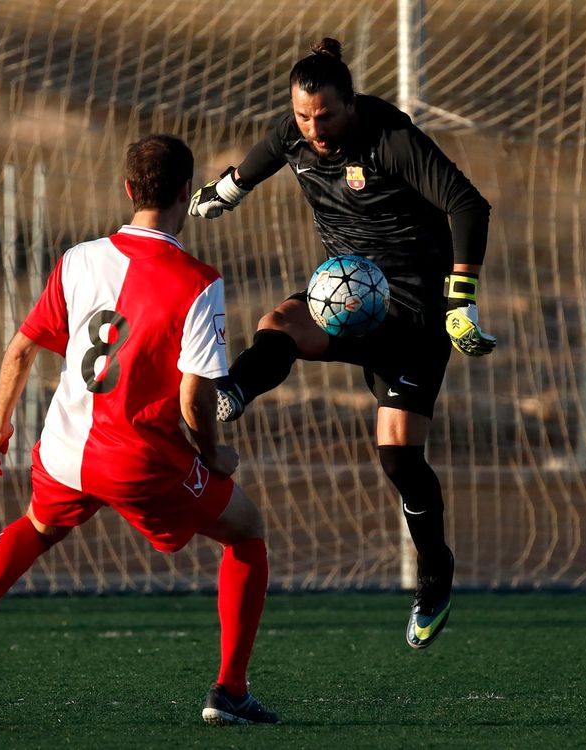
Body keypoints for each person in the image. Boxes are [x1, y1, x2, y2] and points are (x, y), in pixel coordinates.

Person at [0, 134, 279, 726]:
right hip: (139, 462)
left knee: (37, 526)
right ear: (187, 191)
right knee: (247, 531)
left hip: (64, 449)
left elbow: (21, 348)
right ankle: (230, 691)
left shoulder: (78, 258)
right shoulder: (199, 281)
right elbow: (194, 395)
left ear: (128, 190)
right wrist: (213, 455)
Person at [188, 38, 497, 650]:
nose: (314, 128)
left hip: (413, 312)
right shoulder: (296, 133)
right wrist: (230, 188)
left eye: (325, 115)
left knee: (398, 459)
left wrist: (460, 299)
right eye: (303, 116)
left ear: (351, 104)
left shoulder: (391, 140)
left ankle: (435, 574)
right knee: (280, 321)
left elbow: (468, 205)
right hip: (347, 296)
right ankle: (234, 392)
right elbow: (265, 154)